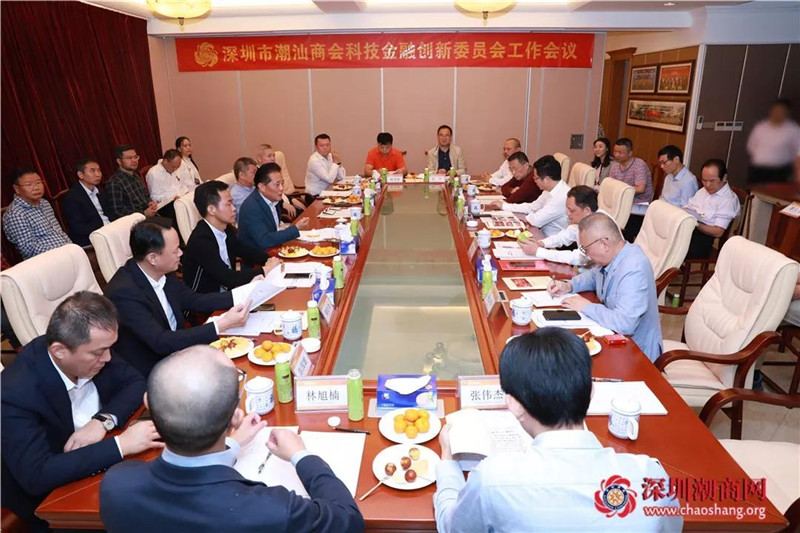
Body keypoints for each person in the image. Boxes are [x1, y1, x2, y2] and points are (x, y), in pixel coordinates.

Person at [434, 327, 681, 533]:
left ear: (514, 404)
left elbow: (452, 526)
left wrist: (447, 461)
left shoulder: (493, 480)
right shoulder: (651, 478)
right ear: (591, 391)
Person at [99, 345, 366, 533]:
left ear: (149, 403)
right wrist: (302, 456)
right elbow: (348, 519)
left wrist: (233, 445)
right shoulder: (271, 510)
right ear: (235, 412)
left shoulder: (117, 484)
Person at [1, 292, 163, 532]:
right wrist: (120, 445)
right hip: (54, 500)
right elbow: (37, 475)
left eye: (110, 349)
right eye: (98, 353)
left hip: (101, 460)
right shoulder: (13, 395)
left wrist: (102, 421)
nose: (108, 358)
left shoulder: (90, 346)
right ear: (59, 351)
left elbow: (135, 382)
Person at [105, 218, 250, 376]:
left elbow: (194, 300)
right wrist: (221, 324)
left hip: (180, 352)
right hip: (152, 370)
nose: (181, 253)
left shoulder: (162, 271)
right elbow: (160, 341)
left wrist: (246, 292)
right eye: (175, 251)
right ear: (153, 258)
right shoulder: (124, 293)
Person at [549, 213, 662, 363]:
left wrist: (586, 306)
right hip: (614, 337)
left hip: (637, 354)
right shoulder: (613, 256)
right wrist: (569, 285)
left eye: (586, 249)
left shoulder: (633, 269)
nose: (587, 255)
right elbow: (593, 276)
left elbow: (625, 324)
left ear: (604, 244)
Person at [183, 180, 281, 293]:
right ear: (211, 210)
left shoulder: (226, 229)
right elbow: (228, 278)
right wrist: (265, 270)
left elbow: (246, 251)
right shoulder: (201, 241)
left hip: (228, 294)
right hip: (206, 300)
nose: (234, 208)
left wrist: (270, 259)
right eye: (228, 204)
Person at [520, 185, 607, 266]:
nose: (567, 213)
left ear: (587, 210)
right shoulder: (584, 218)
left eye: (571, 210)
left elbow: (580, 258)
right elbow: (563, 237)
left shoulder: (600, 227)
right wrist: (541, 243)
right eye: (567, 208)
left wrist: (538, 251)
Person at [2, 167, 71, 259]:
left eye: (38, 182)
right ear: (16, 189)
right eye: (28, 185)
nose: (36, 188)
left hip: (67, 252)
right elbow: (28, 249)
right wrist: (62, 252)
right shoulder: (15, 214)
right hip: (46, 260)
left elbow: (58, 231)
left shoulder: (44, 203)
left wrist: (72, 247)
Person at [239, 162, 311, 250]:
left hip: (274, 247)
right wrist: (296, 228)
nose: (281, 188)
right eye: (277, 184)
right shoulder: (251, 208)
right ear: (262, 187)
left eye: (282, 183)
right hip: (259, 255)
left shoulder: (273, 198)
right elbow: (264, 240)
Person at [497, 155, 569, 238]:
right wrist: (504, 206)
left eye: (536, 178)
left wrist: (520, 216)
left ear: (547, 179)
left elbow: (536, 220)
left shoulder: (562, 196)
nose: (534, 181)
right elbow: (533, 207)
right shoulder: (549, 189)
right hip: (541, 233)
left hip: (552, 241)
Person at [682, 159, 740, 259]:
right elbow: (688, 207)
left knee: (672, 248)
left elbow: (718, 232)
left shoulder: (727, 200)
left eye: (712, 181)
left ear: (724, 178)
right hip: (691, 230)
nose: (707, 185)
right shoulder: (702, 191)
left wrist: (695, 222)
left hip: (704, 240)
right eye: (704, 180)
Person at [608, 138, 653, 242]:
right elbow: (612, 185)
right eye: (615, 151)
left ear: (630, 153)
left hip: (638, 205)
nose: (616, 155)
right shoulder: (615, 166)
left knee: (623, 226)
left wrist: (622, 191)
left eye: (620, 152)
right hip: (622, 203)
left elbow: (640, 189)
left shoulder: (639, 165)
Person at [747, 99, 800, 184]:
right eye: (775, 110)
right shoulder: (760, 127)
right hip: (758, 168)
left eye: (781, 111)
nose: (777, 113)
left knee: (776, 191)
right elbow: (751, 146)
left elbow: (797, 152)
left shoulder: (793, 129)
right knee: (754, 191)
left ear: (787, 113)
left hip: (779, 170)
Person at [62, 158, 111, 246]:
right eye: (92, 171)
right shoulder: (72, 197)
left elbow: (110, 213)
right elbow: (78, 227)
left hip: (109, 229)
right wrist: (103, 229)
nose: (98, 174)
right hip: (92, 236)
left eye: (99, 170)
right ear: (80, 175)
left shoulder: (101, 191)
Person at [105, 145, 159, 221]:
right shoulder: (114, 182)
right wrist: (143, 213)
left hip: (148, 216)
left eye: (135, 157)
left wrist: (150, 202)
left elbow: (145, 195)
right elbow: (117, 212)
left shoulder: (136, 175)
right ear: (119, 161)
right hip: (134, 222)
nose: (134, 160)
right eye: (129, 158)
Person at [256, 143, 307, 219]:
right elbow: (268, 196)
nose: (273, 158)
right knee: (300, 215)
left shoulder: (273, 171)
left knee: (304, 210)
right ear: (259, 159)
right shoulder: (258, 175)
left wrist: (291, 199)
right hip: (276, 207)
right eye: (269, 156)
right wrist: (283, 203)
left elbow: (280, 190)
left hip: (284, 200)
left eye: (273, 155)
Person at [657, 145, 698, 209]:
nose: (662, 166)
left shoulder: (689, 181)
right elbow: (663, 198)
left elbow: (685, 209)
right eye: (660, 163)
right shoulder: (668, 177)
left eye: (664, 162)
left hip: (674, 213)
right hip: (662, 210)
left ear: (676, 159)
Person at [230, 156, 258, 223]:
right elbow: (252, 214)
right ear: (242, 175)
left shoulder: (254, 188)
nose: (257, 175)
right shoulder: (236, 194)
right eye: (253, 172)